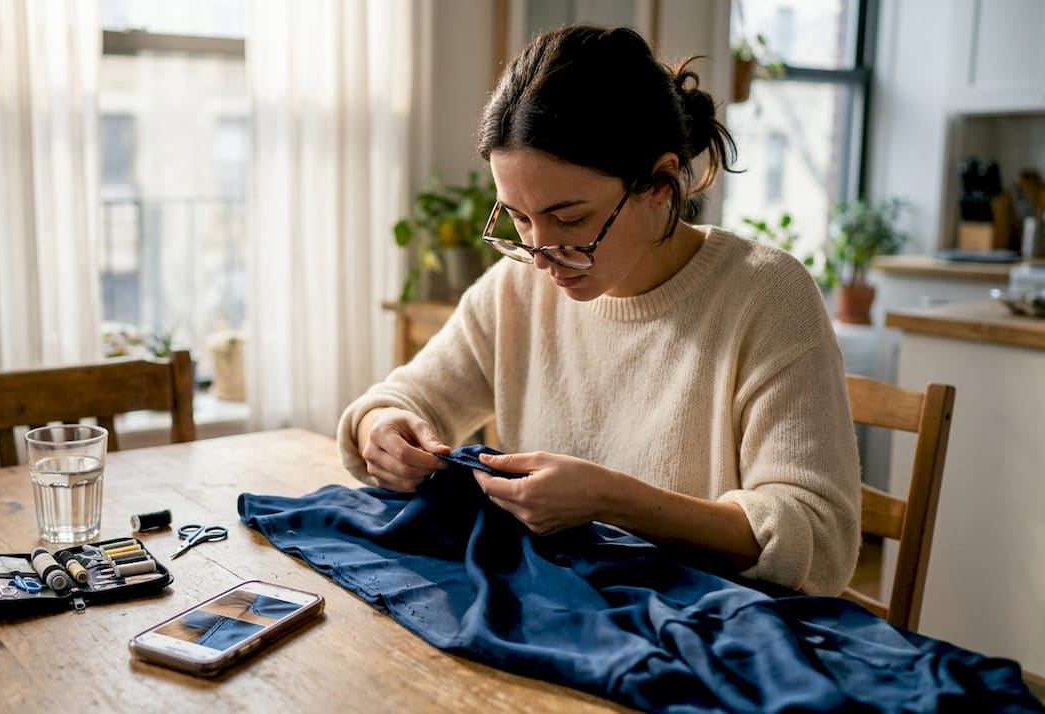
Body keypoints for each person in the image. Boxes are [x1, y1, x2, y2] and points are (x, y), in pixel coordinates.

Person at [336, 25, 860, 596]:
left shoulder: (766, 296)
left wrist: (613, 500)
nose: (540, 254)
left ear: (659, 184)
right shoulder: (514, 290)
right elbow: (400, 400)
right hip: (558, 616)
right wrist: (381, 428)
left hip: (713, 638)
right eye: (517, 217)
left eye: (570, 220)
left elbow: (820, 540)